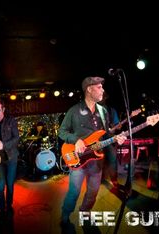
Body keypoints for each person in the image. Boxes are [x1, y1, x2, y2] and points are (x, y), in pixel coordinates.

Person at [58, 76, 126, 224]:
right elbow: (61, 132)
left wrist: (116, 138)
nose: (103, 89)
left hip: (97, 161)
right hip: (78, 158)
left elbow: (106, 134)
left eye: (102, 86)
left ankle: (85, 211)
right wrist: (76, 140)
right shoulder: (74, 111)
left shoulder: (103, 111)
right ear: (89, 89)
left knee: (93, 192)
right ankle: (65, 214)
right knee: (74, 192)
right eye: (99, 87)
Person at [99, 92, 120, 188]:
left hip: (110, 139)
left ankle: (114, 179)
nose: (100, 98)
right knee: (99, 160)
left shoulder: (112, 111)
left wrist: (116, 126)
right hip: (98, 140)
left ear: (106, 97)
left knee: (112, 160)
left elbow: (116, 125)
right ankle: (99, 178)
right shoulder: (92, 111)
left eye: (102, 96)